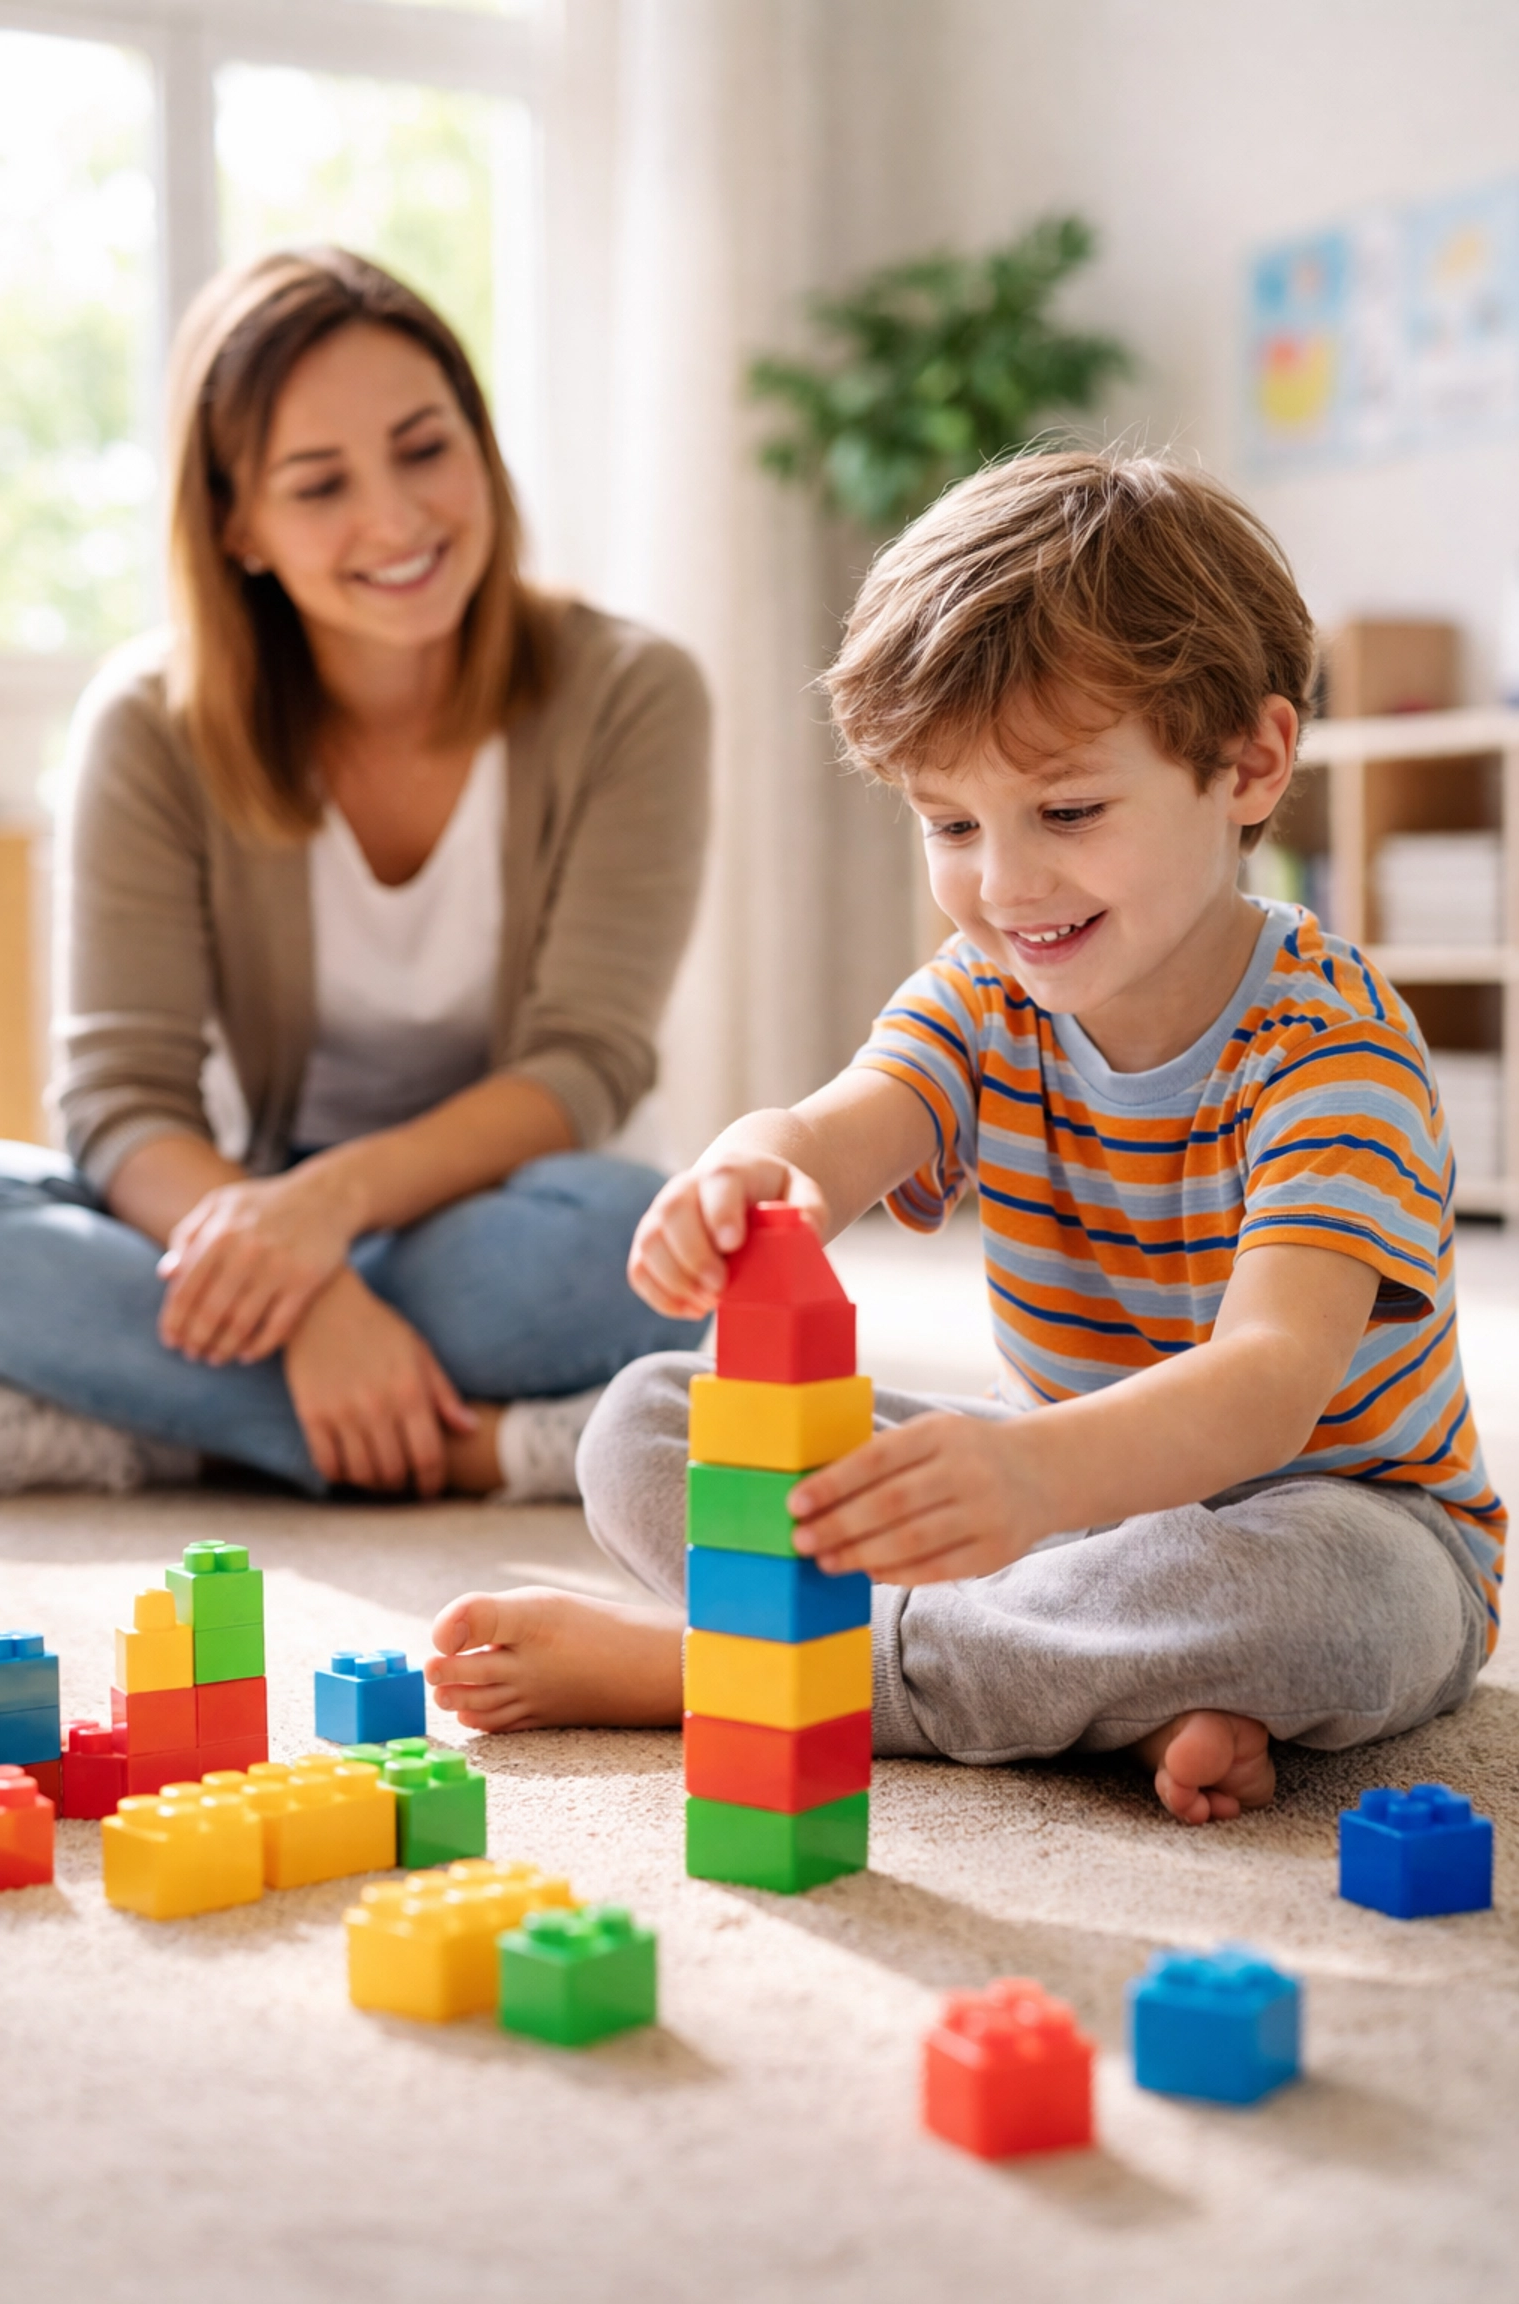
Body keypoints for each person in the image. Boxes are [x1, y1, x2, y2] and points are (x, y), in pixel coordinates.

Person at [423, 451, 1502, 1824]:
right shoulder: (986, 994)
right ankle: (1075, 1679)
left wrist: (1032, 1479)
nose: (1005, 884)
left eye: (1066, 811)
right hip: (1047, 1509)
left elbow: (1270, 1382)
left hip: (1341, 1510)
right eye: (950, 822)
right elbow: (840, 1127)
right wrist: (753, 1171)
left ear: (1250, 762)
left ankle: (739, 1672)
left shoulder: (1329, 1046)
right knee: (640, 1426)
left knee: (1323, 1601)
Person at [0, 247, 710, 1502]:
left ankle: (171, 1427)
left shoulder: (632, 693)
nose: (396, 519)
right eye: (320, 485)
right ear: (237, 525)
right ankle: (453, 1439)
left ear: (481, 446)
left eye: (425, 449)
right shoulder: (148, 726)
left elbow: (583, 1066)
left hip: (507, 1218)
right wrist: (311, 1294)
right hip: (250, 1217)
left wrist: (328, 1216)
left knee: (624, 1245)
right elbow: (118, 1105)